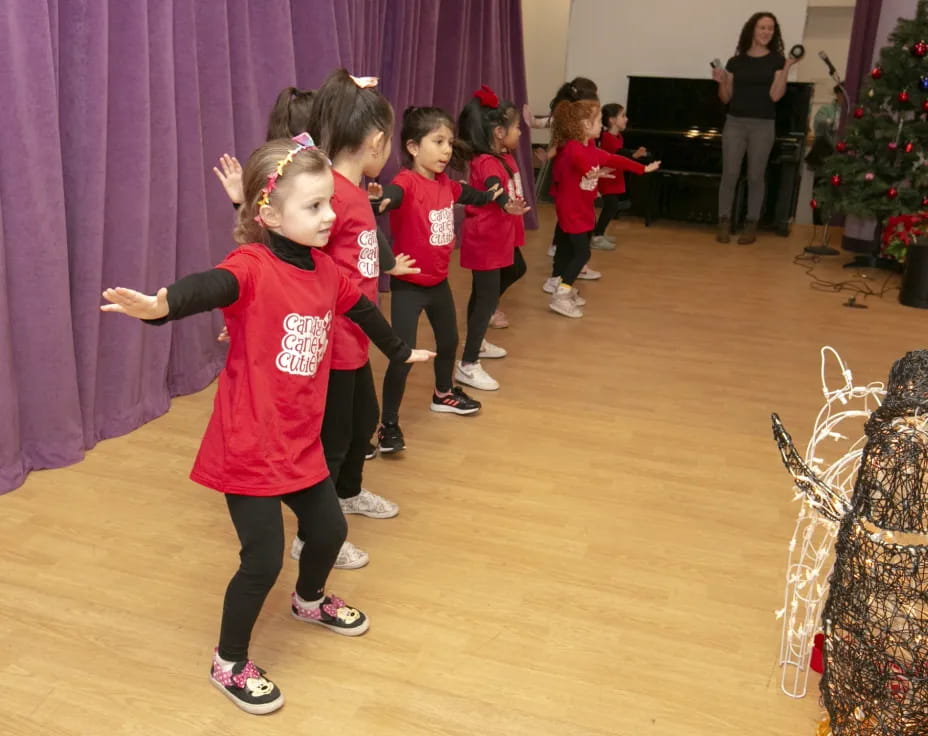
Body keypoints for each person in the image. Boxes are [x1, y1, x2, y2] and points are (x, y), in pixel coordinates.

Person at [101, 136, 434, 715]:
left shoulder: (326, 269)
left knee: (329, 532)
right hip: (247, 444)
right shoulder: (252, 266)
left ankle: (309, 601)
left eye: (330, 202)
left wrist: (400, 350)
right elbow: (213, 286)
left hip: (298, 441)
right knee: (263, 559)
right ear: (269, 214)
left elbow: (361, 308)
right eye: (314, 207)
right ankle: (228, 662)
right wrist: (163, 306)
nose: (330, 215)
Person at [373, 106, 511, 454]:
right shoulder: (405, 183)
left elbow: (476, 196)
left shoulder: (447, 185)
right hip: (409, 287)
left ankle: (443, 394)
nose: (447, 150)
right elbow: (392, 197)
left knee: (448, 342)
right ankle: (388, 424)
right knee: (402, 356)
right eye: (438, 141)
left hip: (438, 284)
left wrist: (496, 196)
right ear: (413, 147)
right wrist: (380, 202)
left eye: (449, 142)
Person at [546, 99, 659, 318]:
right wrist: (591, 172)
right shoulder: (572, 148)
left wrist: (642, 169)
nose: (601, 125)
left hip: (583, 209)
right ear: (585, 125)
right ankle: (561, 295)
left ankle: (563, 286)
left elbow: (613, 159)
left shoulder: (589, 147)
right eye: (598, 121)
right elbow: (579, 162)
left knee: (572, 251)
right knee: (582, 253)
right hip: (572, 211)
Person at [455, 85, 530, 391]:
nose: (520, 133)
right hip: (486, 238)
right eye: (516, 128)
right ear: (499, 132)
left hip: (501, 235)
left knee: (516, 270)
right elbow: (492, 187)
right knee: (486, 298)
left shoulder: (502, 154)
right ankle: (468, 364)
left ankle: (478, 337)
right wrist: (503, 204)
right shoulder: (486, 162)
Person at [712, 12, 798, 244]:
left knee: (755, 175)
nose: (766, 32)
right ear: (752, 30)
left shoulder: (777, 61)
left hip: (763, 124)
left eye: (770, 28)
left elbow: (776, 95)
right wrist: (721, 82)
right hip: (735, 123)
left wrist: (788, 67)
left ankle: (751, 224)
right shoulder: (735, 62)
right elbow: (725, 97)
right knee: (729, 173)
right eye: (762, 27)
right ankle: (724, 222)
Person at [593, 102, 649, 250]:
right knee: (610, 206)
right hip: (608, 178)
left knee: (611, 207)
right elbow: (618, 154)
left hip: (615, 177)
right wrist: (633, 155)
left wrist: (633, 155)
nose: (626, 119)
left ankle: (599, 233)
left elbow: (622, 154)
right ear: (612, 120)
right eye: (622, 115)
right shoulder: (606, 137)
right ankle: (597, 236)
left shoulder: (618, 137)